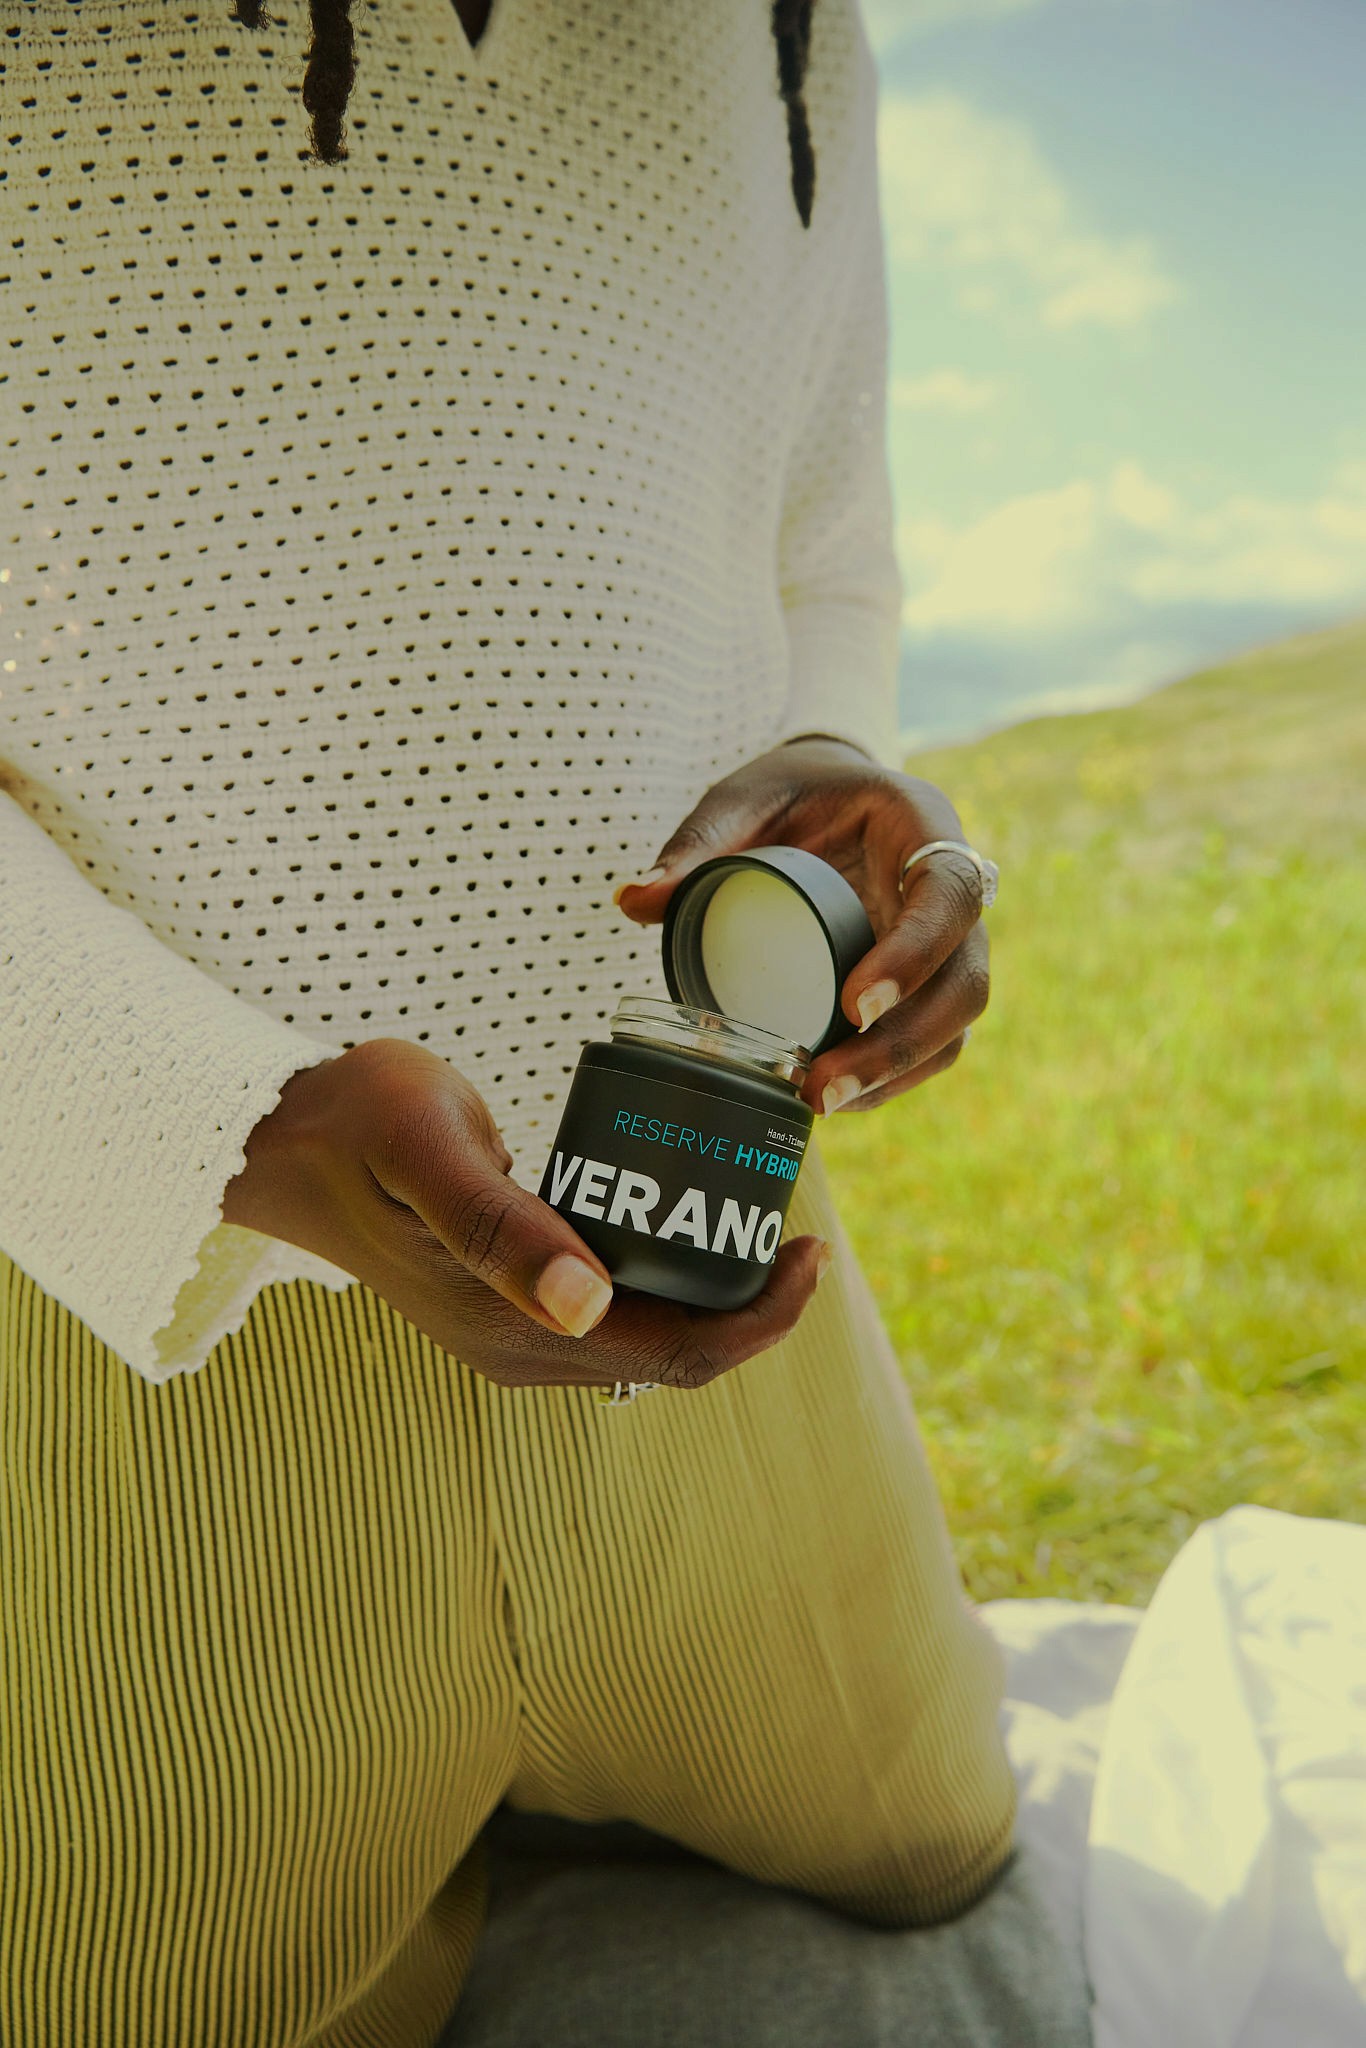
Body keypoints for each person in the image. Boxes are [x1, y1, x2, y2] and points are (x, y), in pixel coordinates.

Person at [0, 4, 1064, 2044]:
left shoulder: (795, 29)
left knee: (931, 1844)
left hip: (713, 1290)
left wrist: (844, 757)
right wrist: (207, 1122)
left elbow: (818, 542)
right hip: (129, 1319)